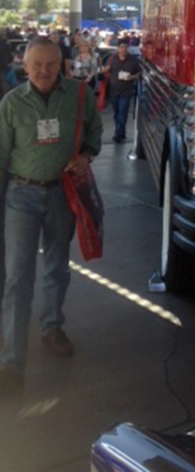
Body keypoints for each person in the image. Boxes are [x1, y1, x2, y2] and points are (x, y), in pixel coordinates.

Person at [0, 36, 102, 391]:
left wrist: (86, 155)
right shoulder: (11, 104)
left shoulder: (78, 95)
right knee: (17, 277)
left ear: (62, 64)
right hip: (21, 196)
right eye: (37, 65)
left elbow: (95, 131)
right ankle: (11, 361)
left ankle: (51, 327)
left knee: (57, 267)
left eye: (51, 64)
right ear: (24, 65)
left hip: (63, 194)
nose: (44, 71)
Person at [104, 39, 141, 143]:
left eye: (125, 47)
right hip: (114, 90)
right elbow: (106, 68)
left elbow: (140, 72)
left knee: (122, 112)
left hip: (126, 90)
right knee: (116, 112)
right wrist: (105, 70)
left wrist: (132, 77)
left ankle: (118, 134)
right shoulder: (112, 58)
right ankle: (121, 131)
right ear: (118, 48)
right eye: (121, 47)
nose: (123, 49)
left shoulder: (133, 60)